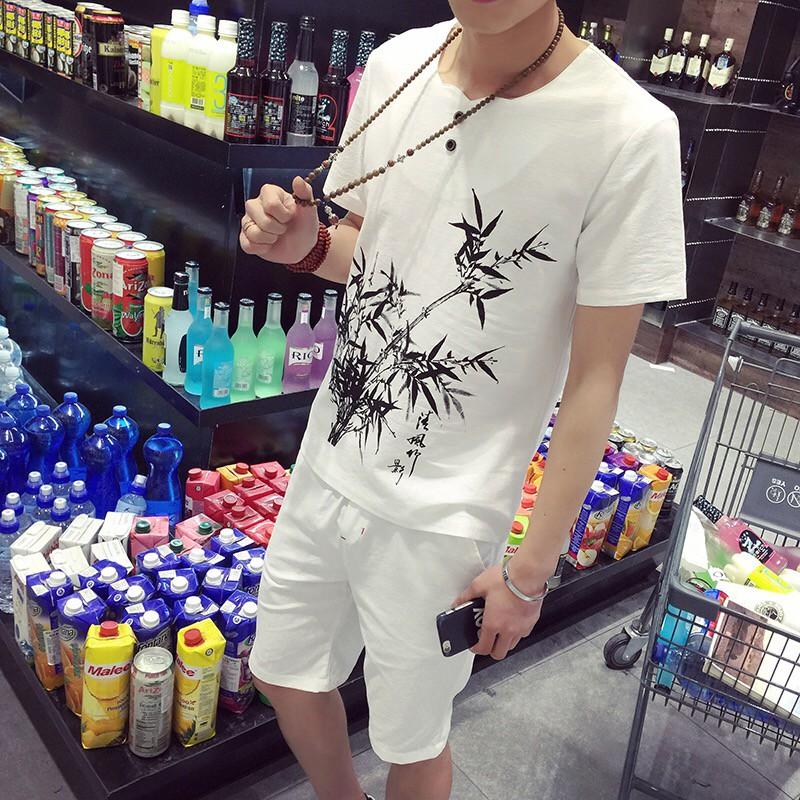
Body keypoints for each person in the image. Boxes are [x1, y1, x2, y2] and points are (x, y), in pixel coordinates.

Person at [241, 1, 686, 798]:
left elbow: (596, 377)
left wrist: (529, 572)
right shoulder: (397, 65)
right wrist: (306, 245)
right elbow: (375, 253)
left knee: (412, 738)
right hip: (331, 456)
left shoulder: (627, 131)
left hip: (445, 510)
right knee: (281, 671)